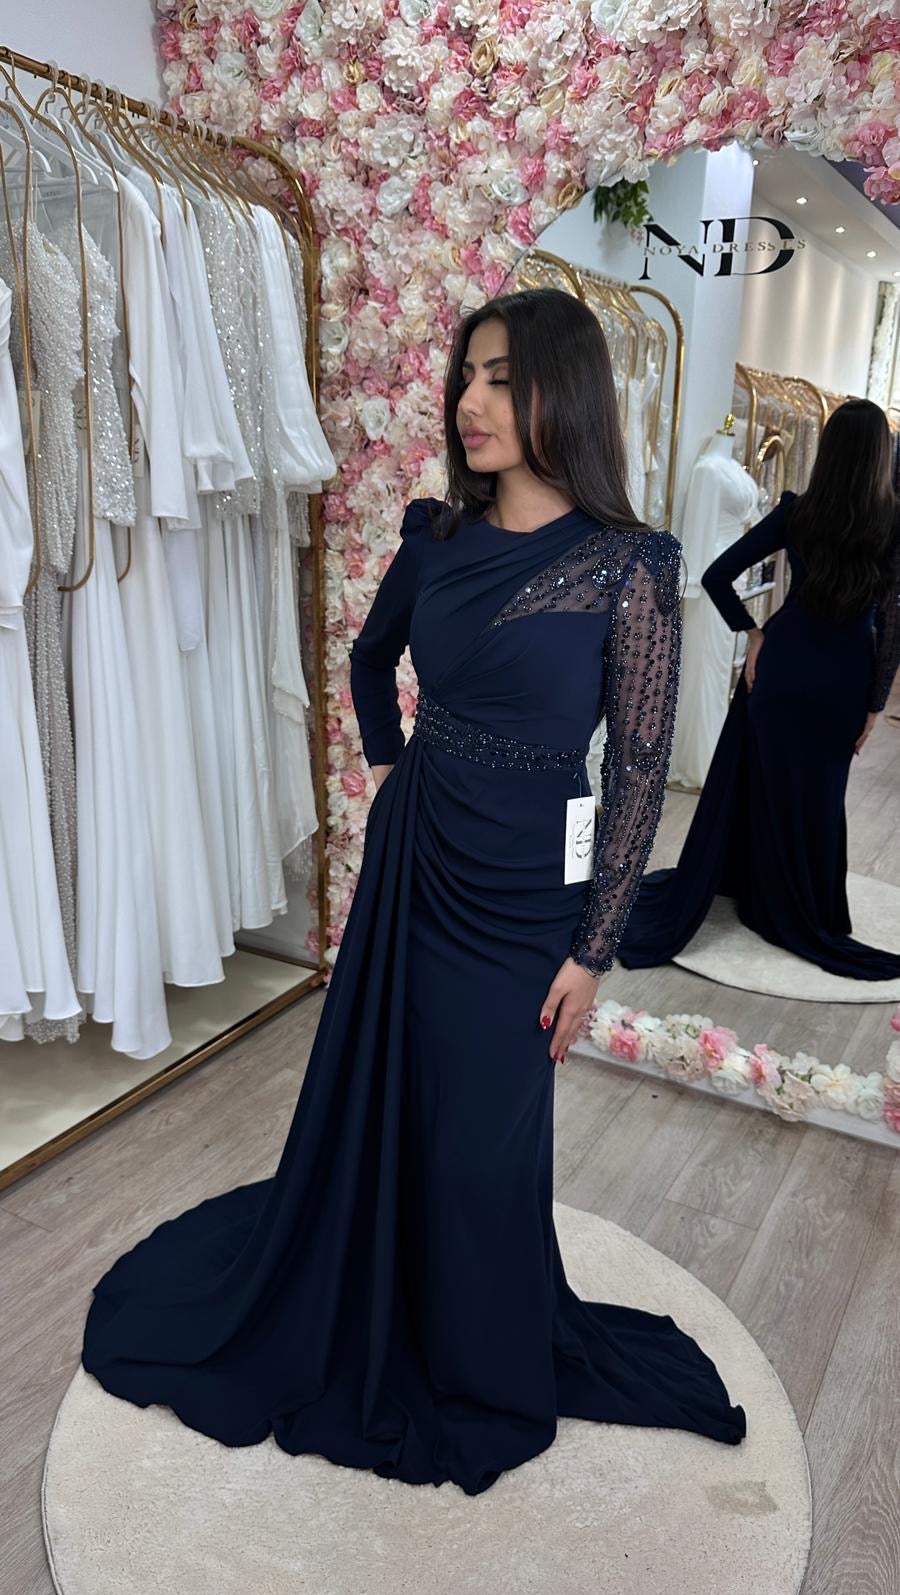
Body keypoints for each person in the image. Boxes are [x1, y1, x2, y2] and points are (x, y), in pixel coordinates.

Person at [81, 287, 746, 1499]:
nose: (469, 401)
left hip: (525, 898)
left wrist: (594, 949)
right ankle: (370, 1301)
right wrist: (392, 768)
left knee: (484, 1134)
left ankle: (478, 1351)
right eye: (467, 375)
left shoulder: (630, 566)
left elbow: (640, 773)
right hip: (415, 863)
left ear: (564, 393)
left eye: (501, 377)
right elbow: (368, 655)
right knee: (390, 1097)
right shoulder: (436, 537)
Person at [616, 397, 900, 981]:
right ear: (880, 456)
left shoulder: (799, 512)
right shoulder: (893, 524)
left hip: (782, 667)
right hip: (845, 678)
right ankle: (803, 905)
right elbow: (893, 625)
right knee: (820, 795)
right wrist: (876, 703)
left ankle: (754, 887)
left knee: (764, 780)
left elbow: (717, 574)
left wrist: (754, 635)